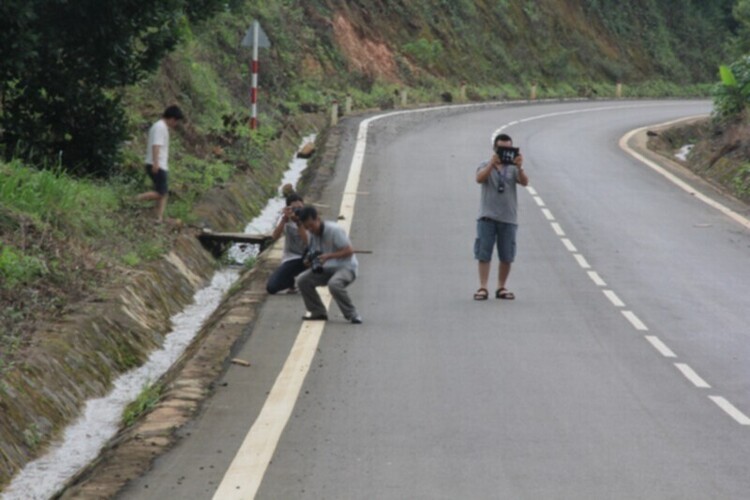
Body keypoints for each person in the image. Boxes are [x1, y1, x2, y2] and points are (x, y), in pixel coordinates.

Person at [473, 133, 529, 301]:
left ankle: (501, 287)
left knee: (507, 255)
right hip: (487, 217)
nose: (506, 152)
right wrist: (492, 164)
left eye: (509, 148)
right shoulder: (484, 164)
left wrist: (520, 167)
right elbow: (479, 178)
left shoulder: (513, 168)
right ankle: (483, 287)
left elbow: (525, 182)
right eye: (502, 148)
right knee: (484, 253)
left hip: (508, 218)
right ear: (495, 149)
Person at [295, 205, 362, 324]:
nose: (310, 229)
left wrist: (329, 256)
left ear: (318, 219)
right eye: (307, 227)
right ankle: (318, 312)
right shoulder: (312, 235)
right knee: (302, 280)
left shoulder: (334, 230)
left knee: (334, 284)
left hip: (345, 266)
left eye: (311, 225)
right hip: (327, 268)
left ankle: (352, 314)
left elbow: (349, 251)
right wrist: (309, 261)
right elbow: (314, 253)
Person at [136, 105, 185, 223]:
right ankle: (134, 199)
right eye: (176, 121)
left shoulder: (160, 126)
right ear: (172, 118)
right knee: (160, 193)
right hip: (157, 164)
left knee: (163, 192)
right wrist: (156, 163)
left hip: (159, 164)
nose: (176, 124)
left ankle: (158, 217)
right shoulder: (160, 127)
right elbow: (156, 145)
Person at [266, 193, 308, 294]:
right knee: (271, 288)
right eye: (294, 208)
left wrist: (299, 223)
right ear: (288, 208)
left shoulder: (309, 218)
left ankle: (309, 281)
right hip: (292, 258)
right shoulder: (286, 219)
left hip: (309, 257)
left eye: (300, 208)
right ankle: (291, 282)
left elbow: (307, 241)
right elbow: (274, 237)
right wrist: (284, 219)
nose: (297, 211)